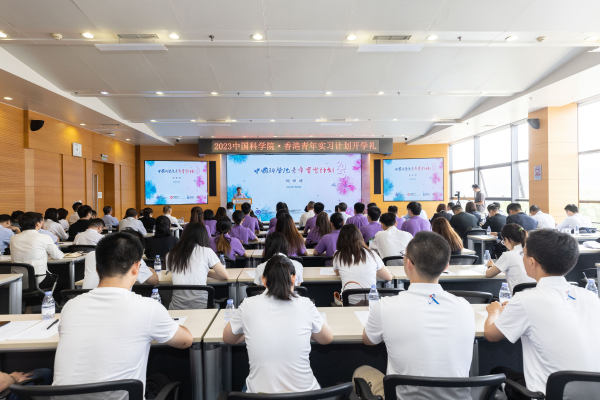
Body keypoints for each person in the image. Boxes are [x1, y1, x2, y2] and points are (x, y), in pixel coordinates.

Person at [54, 232, 192, 393]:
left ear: (97, 269)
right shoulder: (148, 308)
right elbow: (185, 341)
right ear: (136, 268)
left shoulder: (70, 306)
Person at [355, 231, 475, 399]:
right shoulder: (465, 307)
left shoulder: (385, 307)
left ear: (408, 264)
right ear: (446, 266)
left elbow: (369, 340)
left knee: (361, 371)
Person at [484, 229, 600, 398]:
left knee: (497, 371)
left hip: (547, 395)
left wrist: (494, 312)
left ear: (532, 262)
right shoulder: (591, 296)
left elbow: (491, 334)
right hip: (594, 392)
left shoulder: (526, 299)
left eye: (523, 254)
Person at [224, 255, 333, 393]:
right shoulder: (306, 304)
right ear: (294, 279)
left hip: (259, 396)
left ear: (264, 281)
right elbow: (326, 338)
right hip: (305, 395)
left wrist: (250, 331)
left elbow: (228, 338)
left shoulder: (248, 305)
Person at [166, 222, 229, 309]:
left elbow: (172, 272)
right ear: (203, 236)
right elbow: (225, 276)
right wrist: (208, 273)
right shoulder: (206, 251)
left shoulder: (171, 254)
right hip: (201, 307)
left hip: (176, 308)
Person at [333, 224, 392, 305]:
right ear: (360, 238)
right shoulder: (372, 254)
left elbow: (337, 272)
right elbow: (388, 277)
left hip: (348, 302)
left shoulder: (338, 255)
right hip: (371, 303)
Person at [82, 229, 158, 289]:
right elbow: (154, 281)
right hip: (117, 301)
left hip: (85, 298)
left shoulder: (91, 255)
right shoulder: (134, 258)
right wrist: (152, 271)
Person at [10, 212, 64, 288]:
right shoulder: (44, 237)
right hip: (38, 280)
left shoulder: (13, 238)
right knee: (65, 282)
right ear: (38, 224)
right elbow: (58, 256)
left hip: (17, 282)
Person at [485, 223, 535, 294]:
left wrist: (490, 266)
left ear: (507, 240)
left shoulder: (508, 255)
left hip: (517, 297)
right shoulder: (533, 252)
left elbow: (489, 274)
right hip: (534, 296)